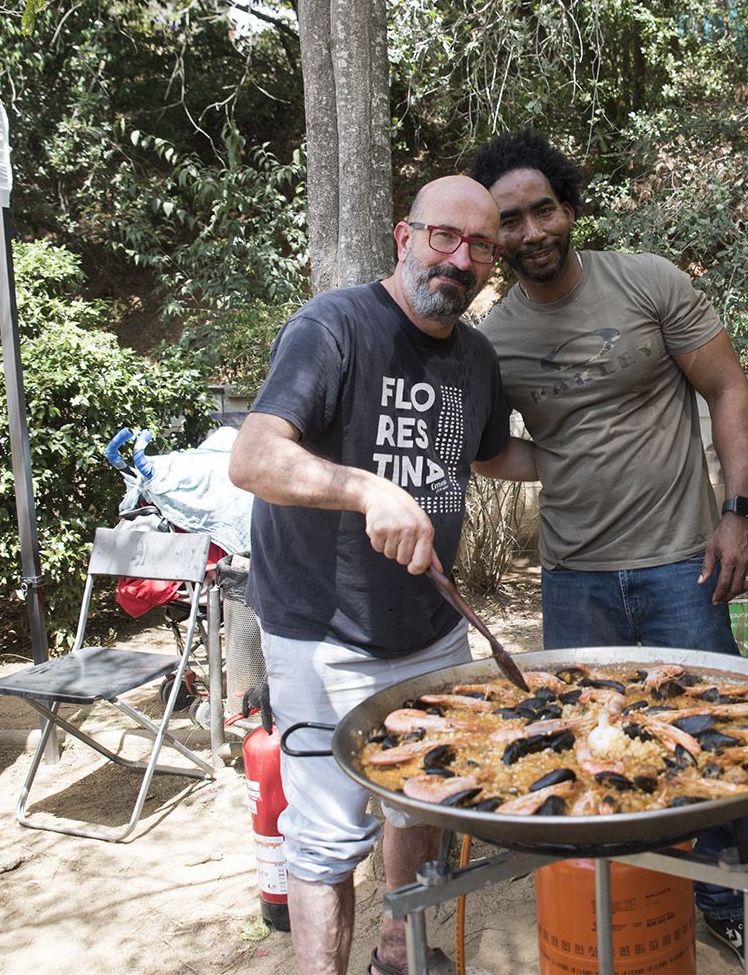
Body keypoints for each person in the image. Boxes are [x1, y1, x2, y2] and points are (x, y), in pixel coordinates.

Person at [467, 130, 748, 974]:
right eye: (511, 219)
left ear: (568, 207)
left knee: (713, 730)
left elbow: (726, 388)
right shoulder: (492, 341)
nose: (533, 229)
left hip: (684, 560)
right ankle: (615, 894)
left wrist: (739, 513)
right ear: (491, 233)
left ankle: (728, 897)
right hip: (574, 575)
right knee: (590, 735)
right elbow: (485, 450)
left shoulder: (647, 280)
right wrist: (568, 461)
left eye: (544, 207)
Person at [229, 175, 532, 975]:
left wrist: (599, 459)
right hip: (323, 636)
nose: (458, 260)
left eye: (480, 248)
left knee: (426, 795)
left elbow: (491, 453)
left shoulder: (473, 356)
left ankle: (402, 956)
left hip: (430, 628)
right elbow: (254, 458)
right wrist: (365, 488)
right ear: (405, 237)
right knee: (330, 834)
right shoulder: (334, 325)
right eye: (444, 237)